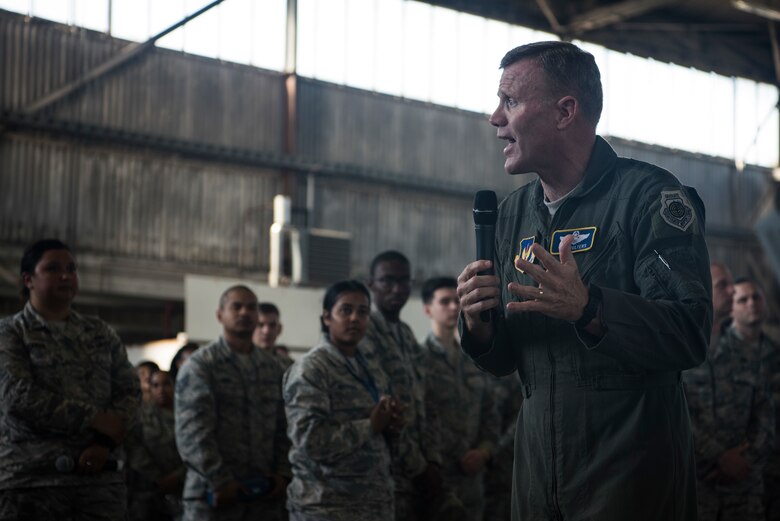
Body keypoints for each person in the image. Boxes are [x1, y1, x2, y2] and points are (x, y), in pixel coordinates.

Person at [456, 41, 712, 520]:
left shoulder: (650, 199)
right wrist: (480, 324)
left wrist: (590, 307)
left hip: (628, 480)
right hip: (537, 481)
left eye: (510, 100)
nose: (495, 117)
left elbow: (690, 332)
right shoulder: (511, 216)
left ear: (565, 111)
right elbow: (507, 358)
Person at [0, 238, 140, 520]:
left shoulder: (99, 332)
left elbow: (130, 391)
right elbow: (17, 395)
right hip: (31, 484)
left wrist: (104, 443)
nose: (66, 276)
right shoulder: (11, 332)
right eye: (53, 268)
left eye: (71, 269)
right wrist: (91, 418)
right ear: (28, 279)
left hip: (98, 485)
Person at [284, 280, 402, 521]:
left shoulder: (370, 365)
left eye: (363, 312)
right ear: (327, 317)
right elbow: (310, 440)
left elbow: (381, 425)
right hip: (327, 506)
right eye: (345, 310)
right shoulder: (312, 369)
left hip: (373, 503)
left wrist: (393, 422)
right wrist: (370, 426)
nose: (355, 318)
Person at [175, 285, 291, 521]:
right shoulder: (201, 366)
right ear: (220, 315)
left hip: (263, 497)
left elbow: (284, 426)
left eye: (251, 307)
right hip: (214, 495)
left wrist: (282, 474)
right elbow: (192, 433)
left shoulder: (273, 368)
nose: (244, 313)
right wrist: (220, 479)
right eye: (236, 307)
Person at [363, 250, 445, 521]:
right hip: (386, 477)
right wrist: (419, 468)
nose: (396, 289)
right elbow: (383, 409)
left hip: (418, 476)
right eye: (387, 281)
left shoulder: (407, 335)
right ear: (371, 284)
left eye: (404, 281)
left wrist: (431, 461)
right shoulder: (365, 334)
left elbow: (426, 401)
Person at [686, 276, 775, 521]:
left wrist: (745, 460)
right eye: (723, 286)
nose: (732, 291)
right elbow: (676, 415)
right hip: (699, 485)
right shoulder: (683, 355)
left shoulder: (747, 353)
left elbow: (766, 414)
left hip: (746, 490)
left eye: (755, 297)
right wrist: (720, 457)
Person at [420, 277, 499, 521]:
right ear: (427, 309)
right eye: (444, 302)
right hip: (435, 483)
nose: (454, 308)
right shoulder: (418, 361)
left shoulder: (473, 360)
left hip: (472, 482)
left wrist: (484, 452)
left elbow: (491, 413)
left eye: (457, 301)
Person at [126, 369, 186, 521]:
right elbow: (134, 448)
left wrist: (178, 475)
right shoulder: (140, 416)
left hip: (183, 486)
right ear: (150, 388)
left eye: (166, 384)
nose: (161, 390)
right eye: (155, 385)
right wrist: (158, 478)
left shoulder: (186, 414)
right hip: (148, 490)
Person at [253, 303, 293, 370]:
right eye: (260, 325)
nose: (266, 331)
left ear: (279, 329)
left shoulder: (289, 365)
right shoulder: (238, 361)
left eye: (272, 325)